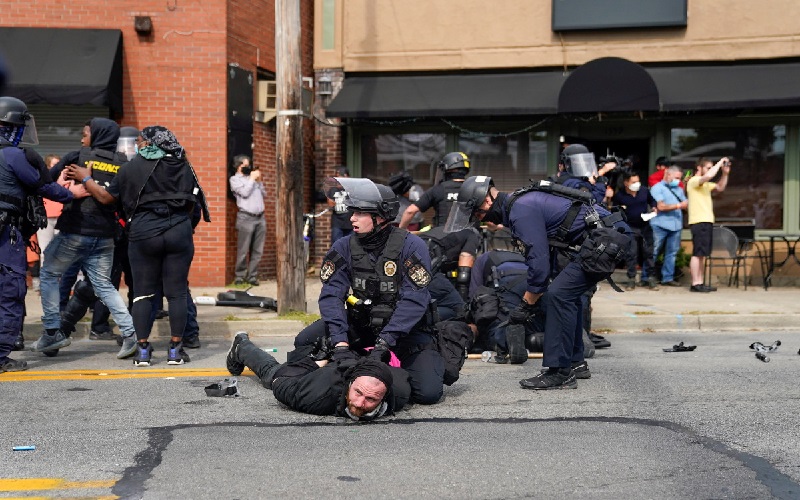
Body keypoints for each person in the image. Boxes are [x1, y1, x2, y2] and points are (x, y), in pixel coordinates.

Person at [446, 175, 630, 390]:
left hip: (606, 240)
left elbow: (538, 266)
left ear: (487, 201)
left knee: (558, 295)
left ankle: (559, 371)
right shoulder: (519, 204)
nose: (481, 219)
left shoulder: (520, 210)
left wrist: (526, 304)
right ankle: (576, 363)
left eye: (478, 213)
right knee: (568, 295)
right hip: (605, 237)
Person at [65, 125, 210, 366]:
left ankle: (143, 350)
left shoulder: (130, 168)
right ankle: (175, 349)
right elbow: (192, 204)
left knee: (142, 294)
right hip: (179, 233)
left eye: (140, 140)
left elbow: (106, 199)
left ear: (148, 143)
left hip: (143, 234)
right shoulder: (183, 166)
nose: (137, 144)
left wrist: (87, 178)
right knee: (176, 294)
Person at [294, 177, 445, 404]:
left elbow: (414, 301)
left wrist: (385, 342)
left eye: (360, 213)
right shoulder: (343, 246)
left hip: (406, 332)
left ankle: (378, 365)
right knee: (304, 342)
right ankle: (356, 358)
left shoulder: (412, 246)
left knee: (428, 393)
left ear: (381, 216)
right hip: (364, 324)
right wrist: (340, 343)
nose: (351, 217)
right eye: (352, 212)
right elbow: (331, 295)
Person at [31, 118, 139, 359]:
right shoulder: (123, 163)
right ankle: (131, 334)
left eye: (85, 134)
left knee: (48, 273)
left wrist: (69, 190)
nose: (82, 139)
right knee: (104, 285)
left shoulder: (77, 156)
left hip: (76, 231)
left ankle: (51, 333)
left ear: (97, 135)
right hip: (106, 236)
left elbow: (45, 181)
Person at [0, 96, 75, 372]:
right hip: (5, 233)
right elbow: (42, 185)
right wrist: (71, 193)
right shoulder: (13, 155)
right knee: (11, 291)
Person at [226, 332, 411, 420]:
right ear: (351, 384)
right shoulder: (317, 396)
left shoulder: (399, 393)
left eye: (371, 399)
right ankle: (241, 346)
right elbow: (280, 383)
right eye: (358, 393)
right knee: (273, 373)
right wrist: (316, 363)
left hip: (364, 356)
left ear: (384, 396)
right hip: (322, 362)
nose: (360, 403)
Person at [687, 157, 731, 292]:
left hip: (706, 220)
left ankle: (700, 282)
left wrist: (725, 174)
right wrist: (719, 163)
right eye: (707, 167)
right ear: (699, 168)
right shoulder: (694, 181)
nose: (710, 170)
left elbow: (720, 187)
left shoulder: (705, 184)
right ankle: (695, 283)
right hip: (698, 220)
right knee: (697, 252)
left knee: (702, 254)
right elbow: (709, 176)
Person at [398, 151, 470, 229]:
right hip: (470, 237)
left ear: (447, 169)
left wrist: (401, 231)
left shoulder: (438, 190)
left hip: (444, 238)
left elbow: (410, 211)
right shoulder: (474, 189)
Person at [612, 170, 658, 290]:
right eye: (634, 182)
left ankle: (651, 278)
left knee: (649, 253)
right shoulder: (620, 195)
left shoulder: (644, 191)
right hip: (630, 227)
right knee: (631, 254)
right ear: (626, 183)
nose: (637, 184)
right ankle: (631, 279)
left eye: (638, 181)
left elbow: (652, 201)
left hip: (645, 226)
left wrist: (654, 208)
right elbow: (614, 210)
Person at [417, 225, 481, 301]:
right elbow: (464, 267)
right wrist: (463, 299)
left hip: (415, 247)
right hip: (433, 252)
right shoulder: (472, 235)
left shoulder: (443, 229)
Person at [229, 154, 265, 286]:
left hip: (260, 217)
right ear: (238, 166)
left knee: (257, 250)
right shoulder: (235, 180)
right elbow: (244, 193)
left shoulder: (254, 180)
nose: (248, 167)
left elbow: (264, 194)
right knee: (243, 249)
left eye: (248, 165)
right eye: (245, 165)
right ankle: (240, 276)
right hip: (246, 217)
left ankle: (252, 276)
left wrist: (259, 181)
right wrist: (251, 179)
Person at [650, 166, 688, 287]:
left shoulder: (679, 189)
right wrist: (678, 206)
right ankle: (647, 277)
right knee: (653, 252)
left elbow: (685, 204)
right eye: (677, 178)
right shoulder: (657, 188)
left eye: (680, 178)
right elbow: (661, 207)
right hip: (659, 225)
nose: (678, 180)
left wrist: (682, 205)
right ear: (668, 174)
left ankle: (668, 278)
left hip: (676, 225)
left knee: (671, 253)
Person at [327, 166, 354, 243]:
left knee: (350, 246)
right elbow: (330, 204)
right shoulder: (333, 189)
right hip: (337, 223)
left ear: (347, 176)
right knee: (337, 245)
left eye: (340, 176)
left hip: (350, 223)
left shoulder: (352, 189)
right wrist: (331, 202)